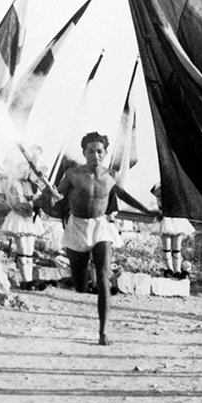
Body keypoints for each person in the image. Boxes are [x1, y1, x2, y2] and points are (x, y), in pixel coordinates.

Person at [56, 131, 120, 345]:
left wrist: (151, 211)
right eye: (91, 151)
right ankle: (78, 280)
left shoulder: (111, 175)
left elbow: (124, 195)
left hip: (100, 226)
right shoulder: (72, 174)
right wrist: (49, 196)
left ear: (105, 153)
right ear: (83, 152)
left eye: (99, 151)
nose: (95, 155)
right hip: (77, 226)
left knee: (103, 278)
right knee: (80, 285)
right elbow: (55, 195)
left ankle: (103, 332)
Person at [0, 149, 48, 291]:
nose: (26, 172)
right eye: (23, 169)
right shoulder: (14, 184)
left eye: (27, 170)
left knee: (29, 251)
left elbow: (33, 194)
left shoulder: (28, 184)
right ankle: (25, 279)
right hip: (19, 217)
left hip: (29, 218)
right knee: (23, 250)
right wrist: (31, 204)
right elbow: (16, 203)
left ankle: (29, 279)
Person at [150, 183, 194, 279]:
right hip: (165, 217)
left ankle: (177, 270)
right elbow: (154, 192)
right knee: (167, 245)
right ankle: (169, 269)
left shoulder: (178, 185)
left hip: (177, 217)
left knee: (177, 246)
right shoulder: (159, 187)